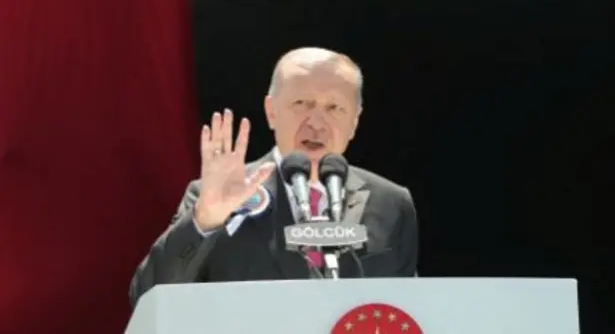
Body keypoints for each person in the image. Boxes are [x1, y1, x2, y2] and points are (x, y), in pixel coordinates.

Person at [129, 47, 419, 307]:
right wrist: (205, 221)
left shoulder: (391, 204)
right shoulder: (217, 197)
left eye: (334, 108)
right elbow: (147, 297)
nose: (316, 123)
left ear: (354, 121)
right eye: (301, 104)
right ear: (271, 112)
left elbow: (411, 311)